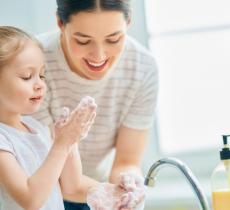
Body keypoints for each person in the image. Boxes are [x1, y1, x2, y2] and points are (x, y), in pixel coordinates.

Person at [33, 0, 158, 209]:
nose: (99, 56)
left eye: (113, 39)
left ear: (128, 22)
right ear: (60, 23)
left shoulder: (143, 68)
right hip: (40, 190)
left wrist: (129, 185)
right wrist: (106, 192)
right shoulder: (32, 64)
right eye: (83, 41)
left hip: (95, 187)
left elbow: (127, 161)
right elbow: (48, 170)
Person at [0, 25, 97, 210]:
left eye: (42, 75)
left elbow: (71, 187)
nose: (40, 85)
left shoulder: (34, 127)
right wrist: (61, 144)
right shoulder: (3, 139)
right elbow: (30, 199)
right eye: (27, 76)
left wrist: (70, 141)